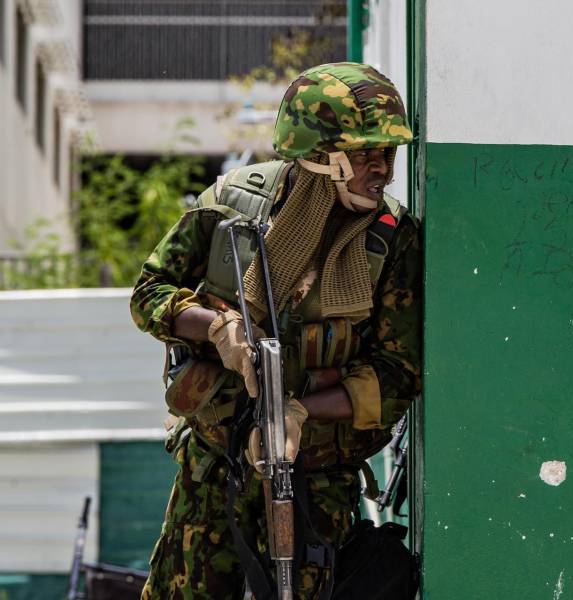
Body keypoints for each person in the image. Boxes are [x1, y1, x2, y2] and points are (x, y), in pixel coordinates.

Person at [130, 62, 421, 599]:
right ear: (318, 157)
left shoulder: (393, 242)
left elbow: (399, 374)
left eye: (389, 153)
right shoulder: (233, 207)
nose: (382, 169)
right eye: (364, 154)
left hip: (316, 479)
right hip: (214, 464)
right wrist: (217, 325)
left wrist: (301, 411)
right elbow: (149, 294)